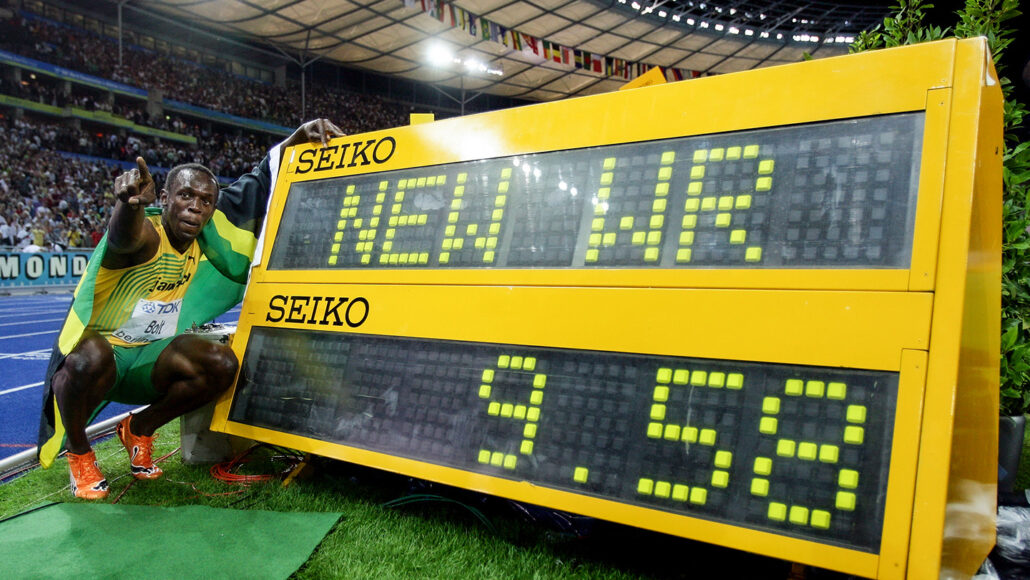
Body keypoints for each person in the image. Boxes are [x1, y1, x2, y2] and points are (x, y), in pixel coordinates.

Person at [39, 119, 344, 499]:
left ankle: (140, 428)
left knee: (222, 364)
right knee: (86, 356)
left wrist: (296, 137)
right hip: (106, 361)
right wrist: (128, 206)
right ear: (164, 198)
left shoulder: (205, 236)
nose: (195, 208)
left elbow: (253, 184)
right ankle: (81, 454)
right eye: (185, 196)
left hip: (150, 359)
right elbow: (123, 238)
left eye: (205, 202)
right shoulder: (146, 235)